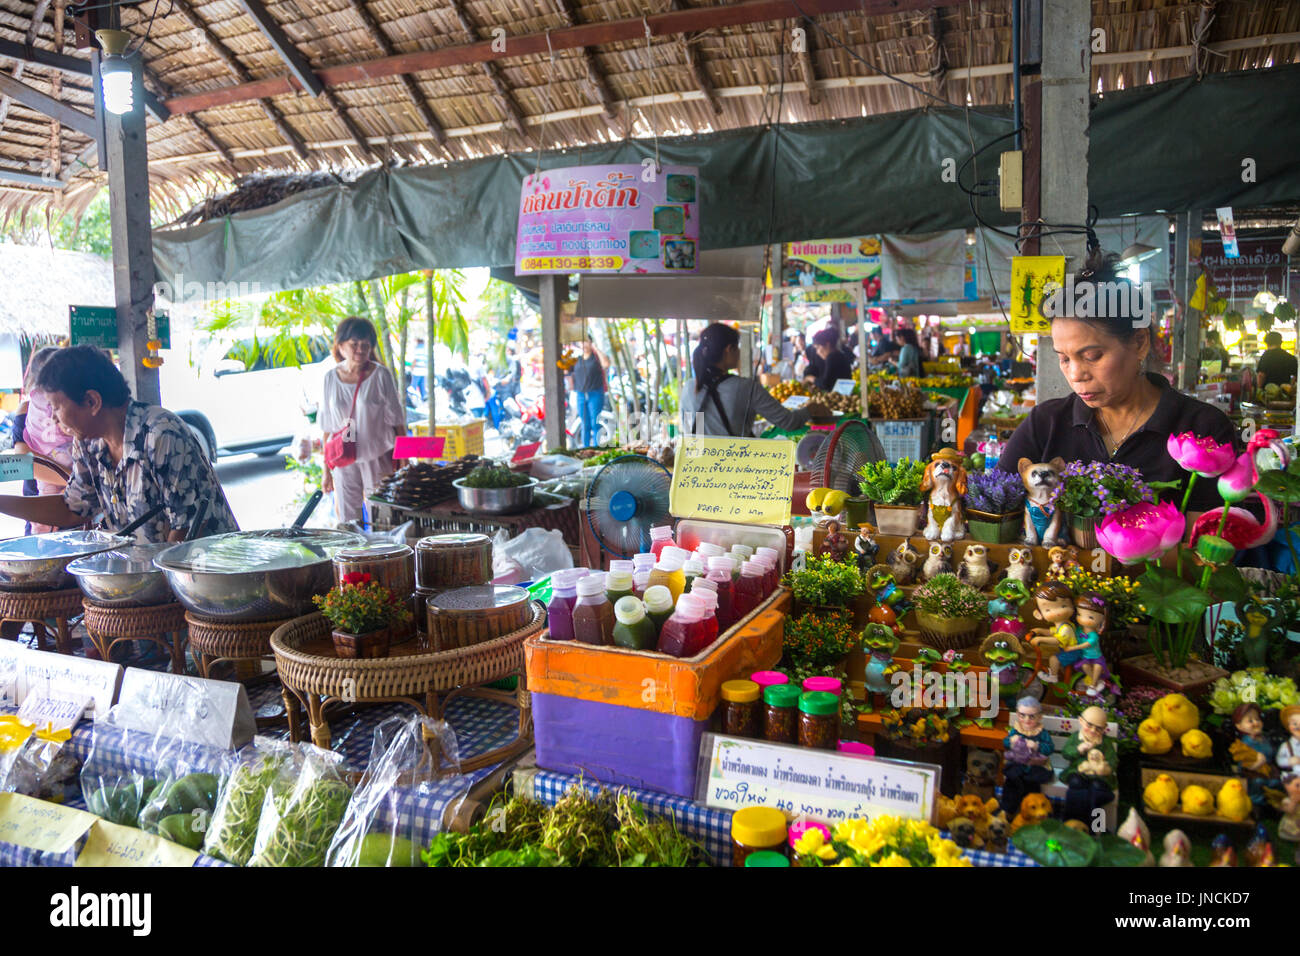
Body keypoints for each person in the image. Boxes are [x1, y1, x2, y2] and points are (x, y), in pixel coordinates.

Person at [997, 252, 1236, 511]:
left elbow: (1215, 538)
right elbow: (993, 506)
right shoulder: (1045, 424)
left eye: (1092, 356)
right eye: (1064, 358)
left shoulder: (1203, 429)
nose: (1076, 374)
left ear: (1139, 343)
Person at [0, 345, 238, 542]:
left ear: (92, 401)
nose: (53, 418)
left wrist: (144, 586)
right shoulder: (89, 444)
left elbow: (187, 530)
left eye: (58, 407)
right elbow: (72, 508)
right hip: (150, 583)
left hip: (206, 581)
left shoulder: (160, 434)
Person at [321, 317, 407, 525]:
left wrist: (404, 465)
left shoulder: (380, 375)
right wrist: (326, 472)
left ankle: (385, 557)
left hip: (378, 457)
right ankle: (356, 557)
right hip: (343, 459)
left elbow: (398, 425)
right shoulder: (330, 378)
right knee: (349, 522)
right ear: (340, 346)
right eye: (354, 344)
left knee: (383, 518)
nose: (360, 349)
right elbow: (327, 428)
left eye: (366, 345)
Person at [681, 323, 827, 436]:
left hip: (698, 470)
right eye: (737, 347)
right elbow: (788, 422)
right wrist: (811, 409)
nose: (739, 352)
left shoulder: (689, 387)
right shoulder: (745, 388)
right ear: (729, 349)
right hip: (735, 470)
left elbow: (691, 434)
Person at [12, 347, 74, 533]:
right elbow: (25, 463)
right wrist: (77, 482)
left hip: (74, 510)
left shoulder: (74, 407)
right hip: (42, 507)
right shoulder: (27, 408)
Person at [571, 336, 609, 447]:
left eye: (586, 341)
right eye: (581, 341)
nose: (583, 344)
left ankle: (596, 448)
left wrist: (596, 349)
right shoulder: (577, 358)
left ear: (591, 342)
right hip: (581, 394)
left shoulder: (596, 357)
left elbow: (606, 364)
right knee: (584, 424)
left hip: (595, 393)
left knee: (595, 423)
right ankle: (585, 449)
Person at [809, 327, 854, 393]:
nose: (817, 352)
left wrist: (810, 378)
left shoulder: (831, 358)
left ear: (827, 345)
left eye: (818, 347)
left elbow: (825, 384)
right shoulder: (839, 355)